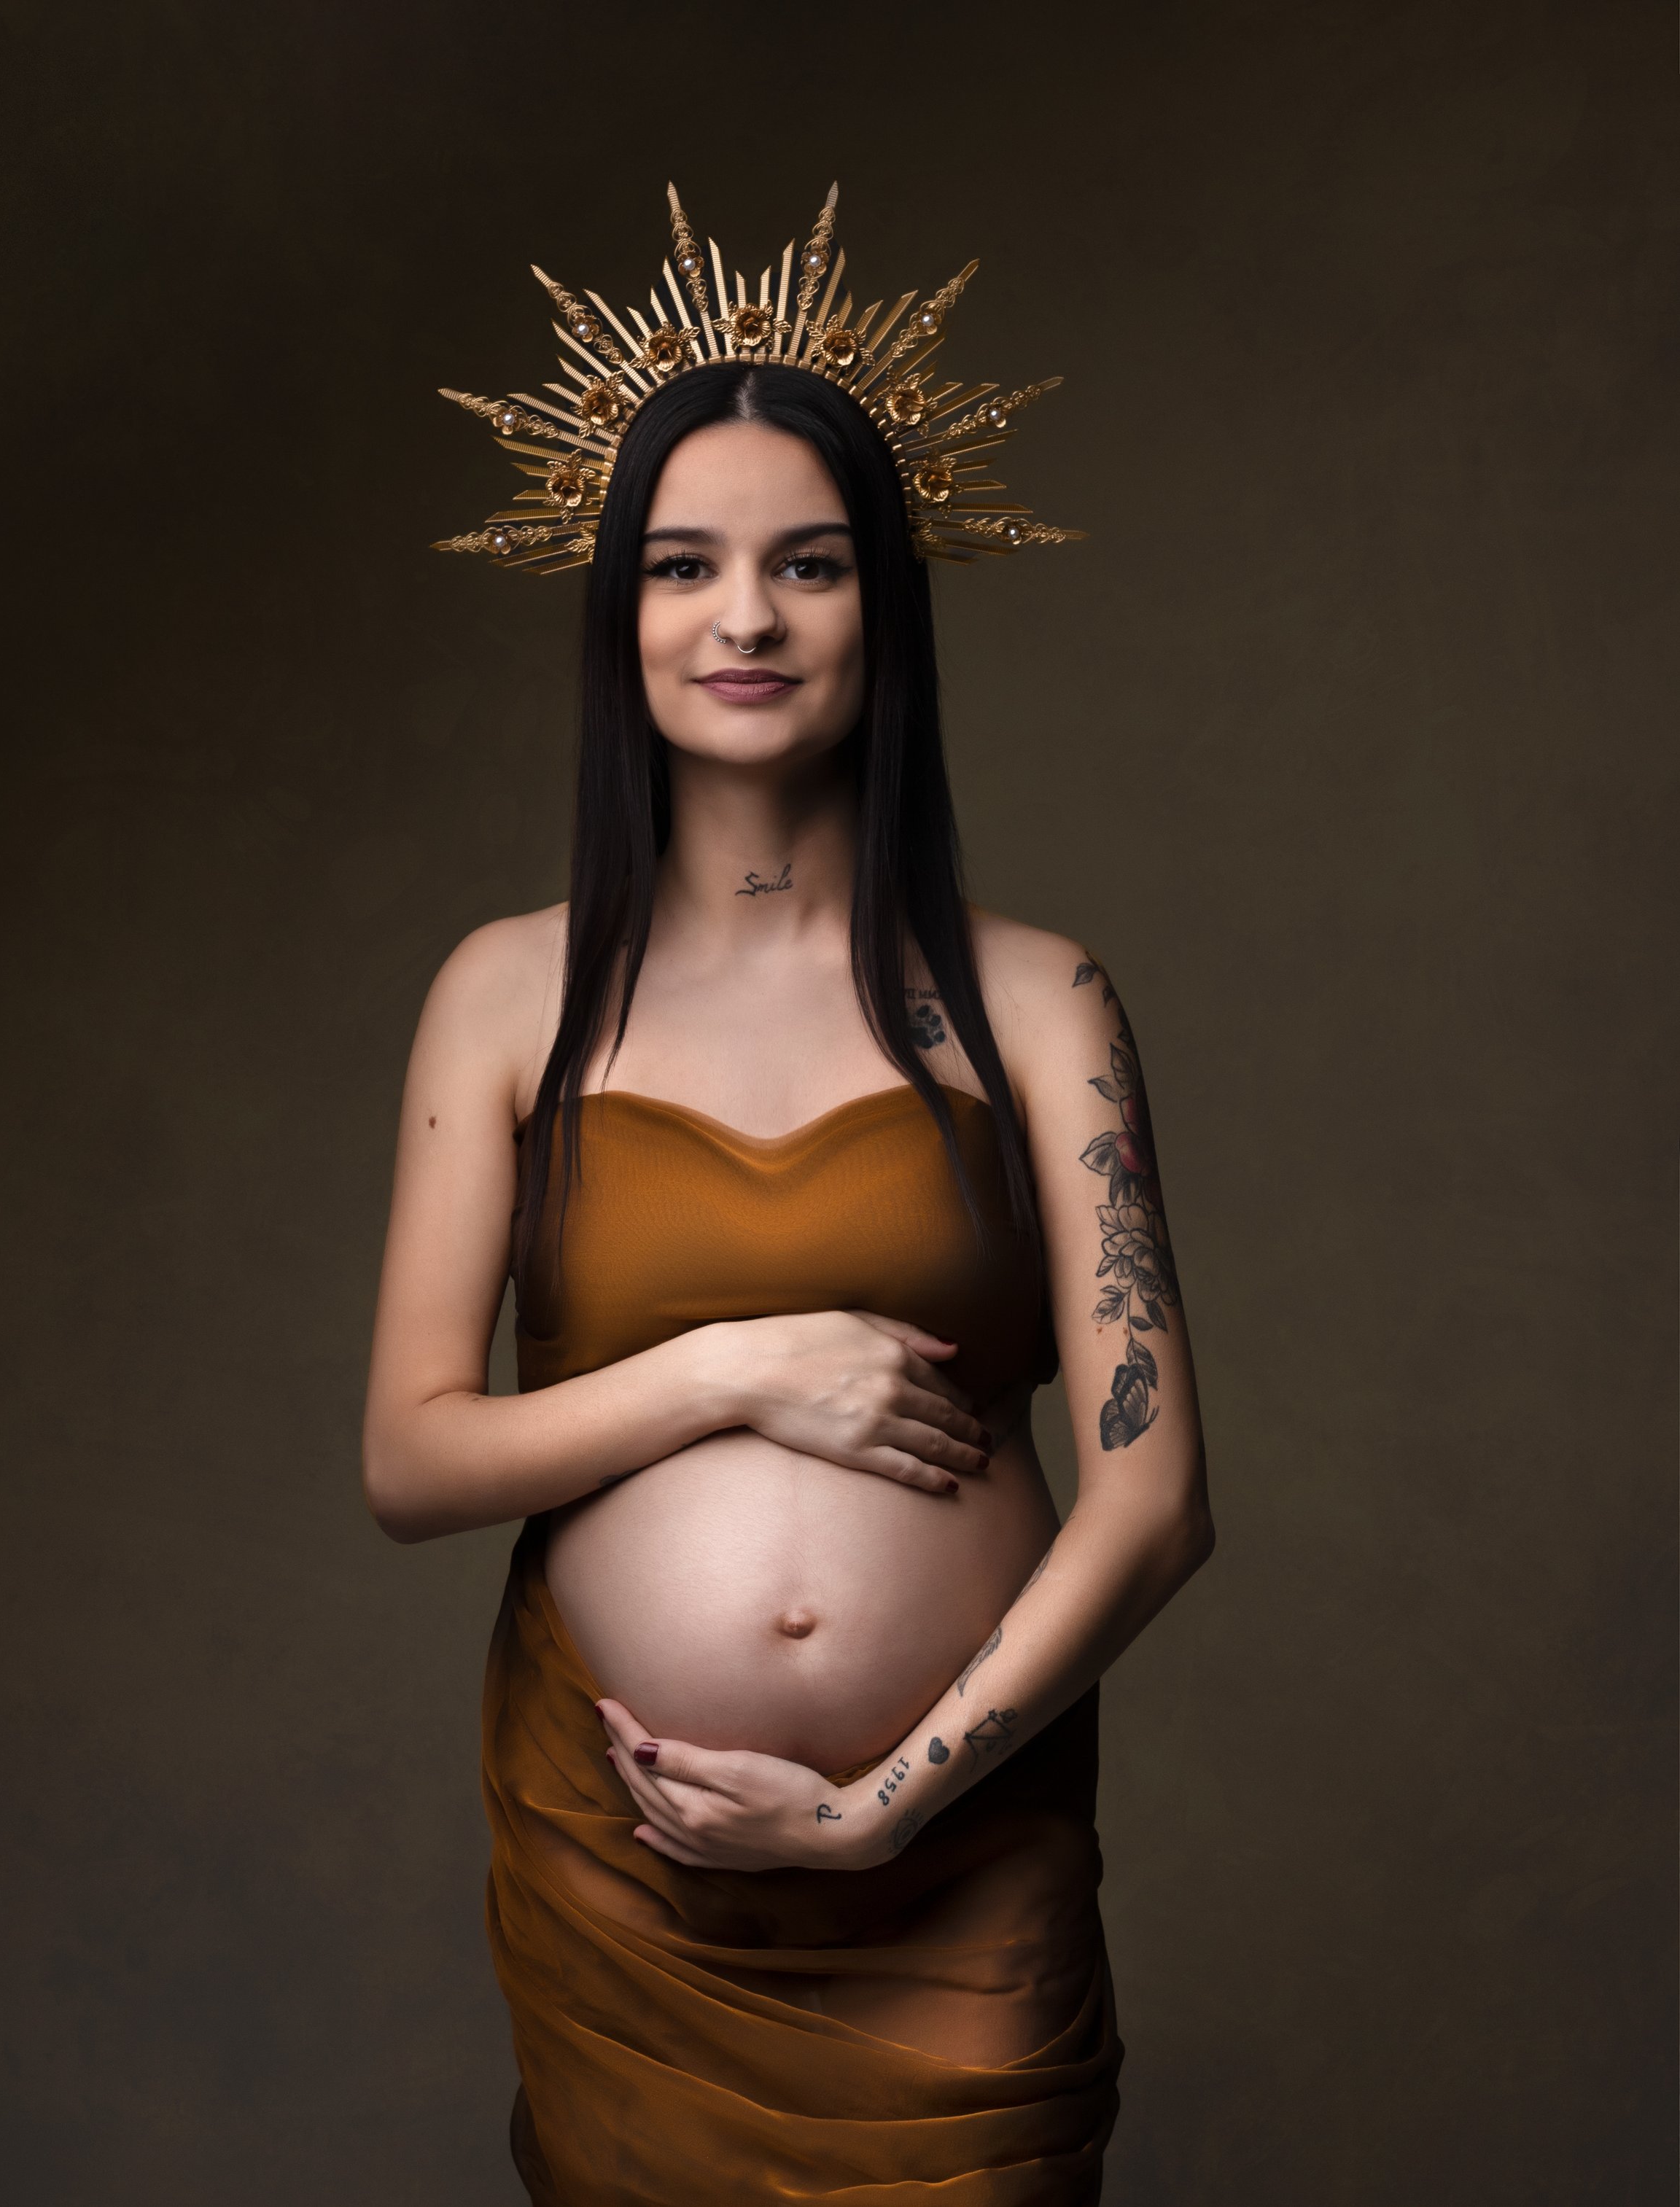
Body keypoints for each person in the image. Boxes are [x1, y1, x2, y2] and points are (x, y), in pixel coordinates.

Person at [362, 185, 1214, 2204]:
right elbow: (409, 1456)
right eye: (682, 566)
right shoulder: (506, 992)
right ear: (618, 612)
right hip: (629, 1875)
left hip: (959, 1861)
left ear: (884, 606)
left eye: (806, 566)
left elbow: (1160, 1494)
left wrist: (878, 1807)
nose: (741, 617)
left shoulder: (1036, 997)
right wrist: (736, 1368)